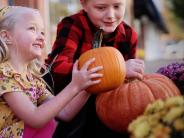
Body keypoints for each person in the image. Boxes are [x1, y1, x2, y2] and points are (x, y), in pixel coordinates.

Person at [45, 0, 145, 137]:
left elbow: (126, 83)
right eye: (101, 7)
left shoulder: (129, 35)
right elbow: (58, 69)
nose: (110, 15)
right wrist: (116, 68)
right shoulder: (73, 25)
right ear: (84, 5)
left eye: (117, 6)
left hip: (108, 104)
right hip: (73, 103)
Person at [0, 6, 103, 138]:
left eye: (42, 32)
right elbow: (35, 118)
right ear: (6, 36)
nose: (41, 37)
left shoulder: (33, 79)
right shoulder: (4, 74)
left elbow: (65, 113)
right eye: (32, 28)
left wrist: (87, 86)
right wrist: (74, 85)